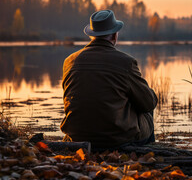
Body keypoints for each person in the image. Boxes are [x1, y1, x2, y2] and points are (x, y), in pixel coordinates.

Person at [60, 10, 157, 148]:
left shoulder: (69, 61)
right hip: (116, 139)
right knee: (145, 103)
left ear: (92, 36)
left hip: (76, 136)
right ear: (114, 35)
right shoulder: (126, 62)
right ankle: (147, 151)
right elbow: (148, 103)